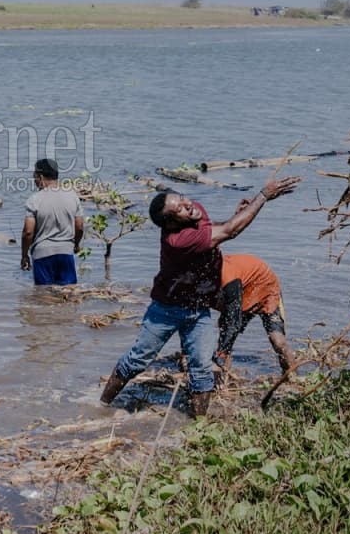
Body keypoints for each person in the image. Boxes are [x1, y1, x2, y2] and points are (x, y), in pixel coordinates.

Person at [99, 175, 300, 418]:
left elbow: (216, 229)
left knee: (202, 370)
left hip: (199, 309)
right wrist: (264, 195)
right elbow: (229, 231)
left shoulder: (196, 212)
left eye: (183, 198)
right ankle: (101, 405)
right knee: (138, 360)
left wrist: (235, 214)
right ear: (171, 224)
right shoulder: (177, 241)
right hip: (167, 310)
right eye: (179, 208)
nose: (187, 205)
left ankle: (198, 426)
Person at [213, 253, 295, 374]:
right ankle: (223, 378)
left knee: (278, 341)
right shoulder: (197, 276)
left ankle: (291, 377)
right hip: (241, 291)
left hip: (266, 289)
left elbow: (233, 323)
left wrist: (220, 356)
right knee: (224, 338)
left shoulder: (227, 276)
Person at [20, 158, 83, 285]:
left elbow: (28, 232)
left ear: (41, 177)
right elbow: (80, 227)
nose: (34, 180)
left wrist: (24, 255)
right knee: (69, 294)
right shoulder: (72, 196)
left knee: (44, 297)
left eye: (35, 176)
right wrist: (76, 244)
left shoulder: (34, 200)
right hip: (65, 252)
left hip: (42, 255)